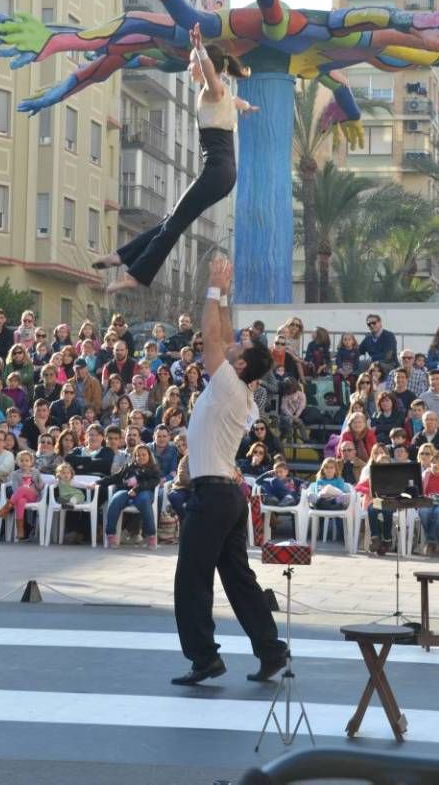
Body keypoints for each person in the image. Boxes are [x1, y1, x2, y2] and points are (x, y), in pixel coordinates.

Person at [171, 256, 286, 687]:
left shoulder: (228, 385)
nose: (234, 342)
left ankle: (205, 658)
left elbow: (210, 340)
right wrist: (224, 293)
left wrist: (213, 289)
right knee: (237, 578)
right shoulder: (237, 388)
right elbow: (221, 332)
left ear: (240, 365)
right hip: (227, 496)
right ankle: (271, 650)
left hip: (214, 496)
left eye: (240, 347)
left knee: (191, 581)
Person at [98, 24, 257, 292]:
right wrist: (246, 107)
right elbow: (235, 101)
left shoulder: (212, 90)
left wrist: (200, 50)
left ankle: (135, 275)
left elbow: (209, 75)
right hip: (224, 173)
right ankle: (122, 256)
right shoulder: (225, 95)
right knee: (172, 219)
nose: (189, 68)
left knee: (173, 223)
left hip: (217, 171)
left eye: (191, 64)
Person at [105, 443, 161, 546]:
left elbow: (153, 483)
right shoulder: (129, 466)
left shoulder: (153, 469)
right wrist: (99, 482)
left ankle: (151, 535)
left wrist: (137, 488)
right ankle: (110, 534)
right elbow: (115, 477)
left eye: (144, 455)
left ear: (149, 456)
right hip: (127, 492)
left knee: (144, 499)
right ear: (134, 457)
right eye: (138, 455)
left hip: (144, 492)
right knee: (116, 498)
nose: (141, 457)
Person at [0, 449, 44, 539]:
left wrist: (33, 480)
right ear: (17, 462)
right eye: (21, 461)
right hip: (20, 496)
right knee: (20, 501)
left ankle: (6, 509)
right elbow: (15, 489)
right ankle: (20, 530)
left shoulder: (35, 472)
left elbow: (40, 486)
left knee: (22, 490)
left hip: (33, 496)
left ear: (31, 462)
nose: (24, 463)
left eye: (27, 460)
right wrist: (23, 486)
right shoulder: (15, 474)